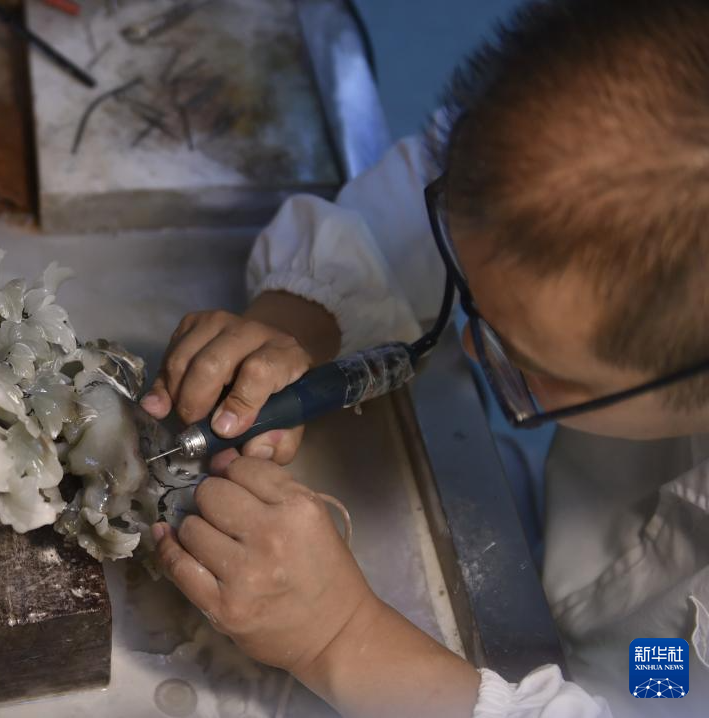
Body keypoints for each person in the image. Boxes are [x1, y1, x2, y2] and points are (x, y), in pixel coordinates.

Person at [140, 0, 709, 715]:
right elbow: (449, 198)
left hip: (662, 679)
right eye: (476, 306)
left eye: (529, 365)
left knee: (655, 682)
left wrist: (344, 639)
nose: (469, 345)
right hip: (583, 573)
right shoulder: (625, 131)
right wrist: (297, 320)